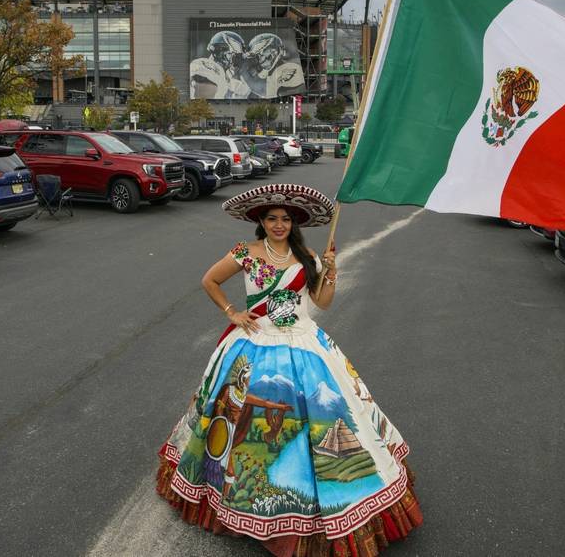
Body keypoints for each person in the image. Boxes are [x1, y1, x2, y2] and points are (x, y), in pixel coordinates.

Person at [156, 184, 422, 556]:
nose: (278, 225)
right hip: (255, 344)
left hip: (305, 345)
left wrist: (330, 271)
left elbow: (322, 304)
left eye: (285, 219)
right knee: (231, 417)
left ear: (294, 223)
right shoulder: (244, 253)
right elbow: (210, 280)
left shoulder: (307, 256)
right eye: (271, 219)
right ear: (260, 222)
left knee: (330, 414)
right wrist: (232, 312)